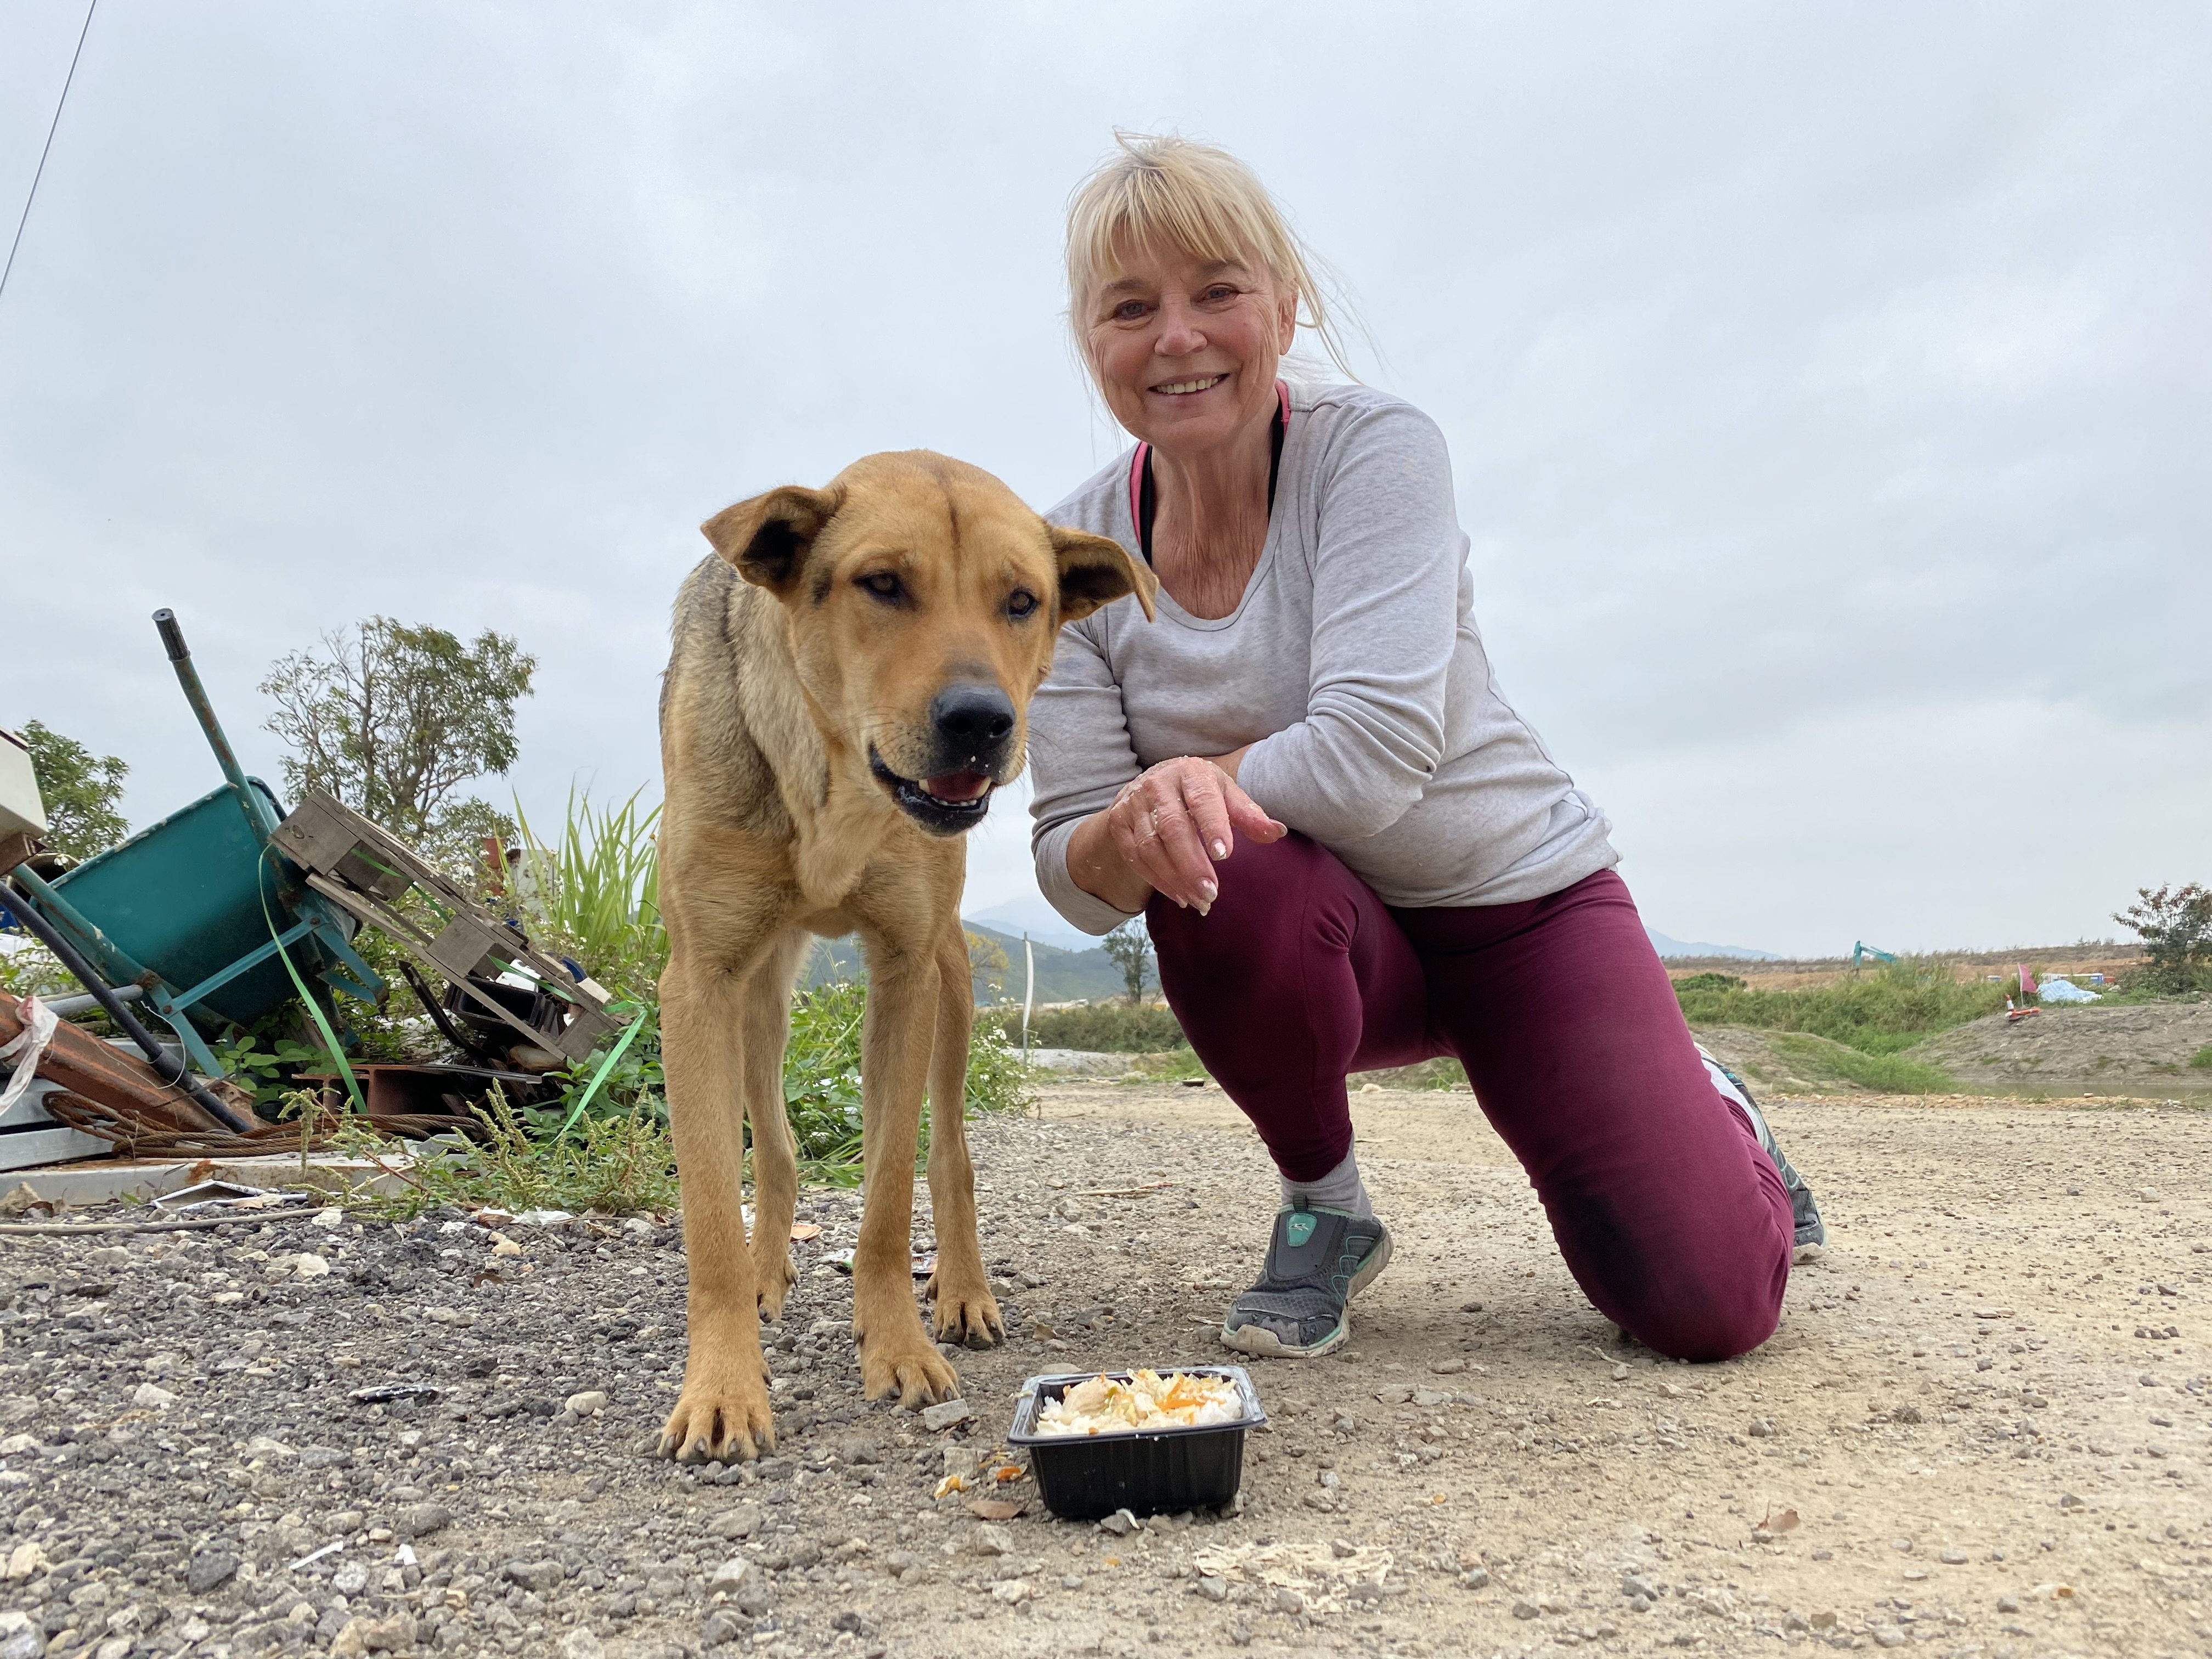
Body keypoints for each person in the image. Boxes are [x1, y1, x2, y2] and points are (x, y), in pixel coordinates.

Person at [1027, 134, 1824, 1365]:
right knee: (1209, 859)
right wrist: (1126, 832)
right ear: (1094, 345)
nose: (1177, 336)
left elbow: (1373, 751)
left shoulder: (1377, 449)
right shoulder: (1068, 550)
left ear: (1285, 308)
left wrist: (1179, 790)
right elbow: (1066, 875)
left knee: (1705, 1310)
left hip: (1522, 913)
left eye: (1218, 292)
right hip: (1331, 949)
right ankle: (1327, 1212)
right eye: (1132, 308)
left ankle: (1714, 1111)